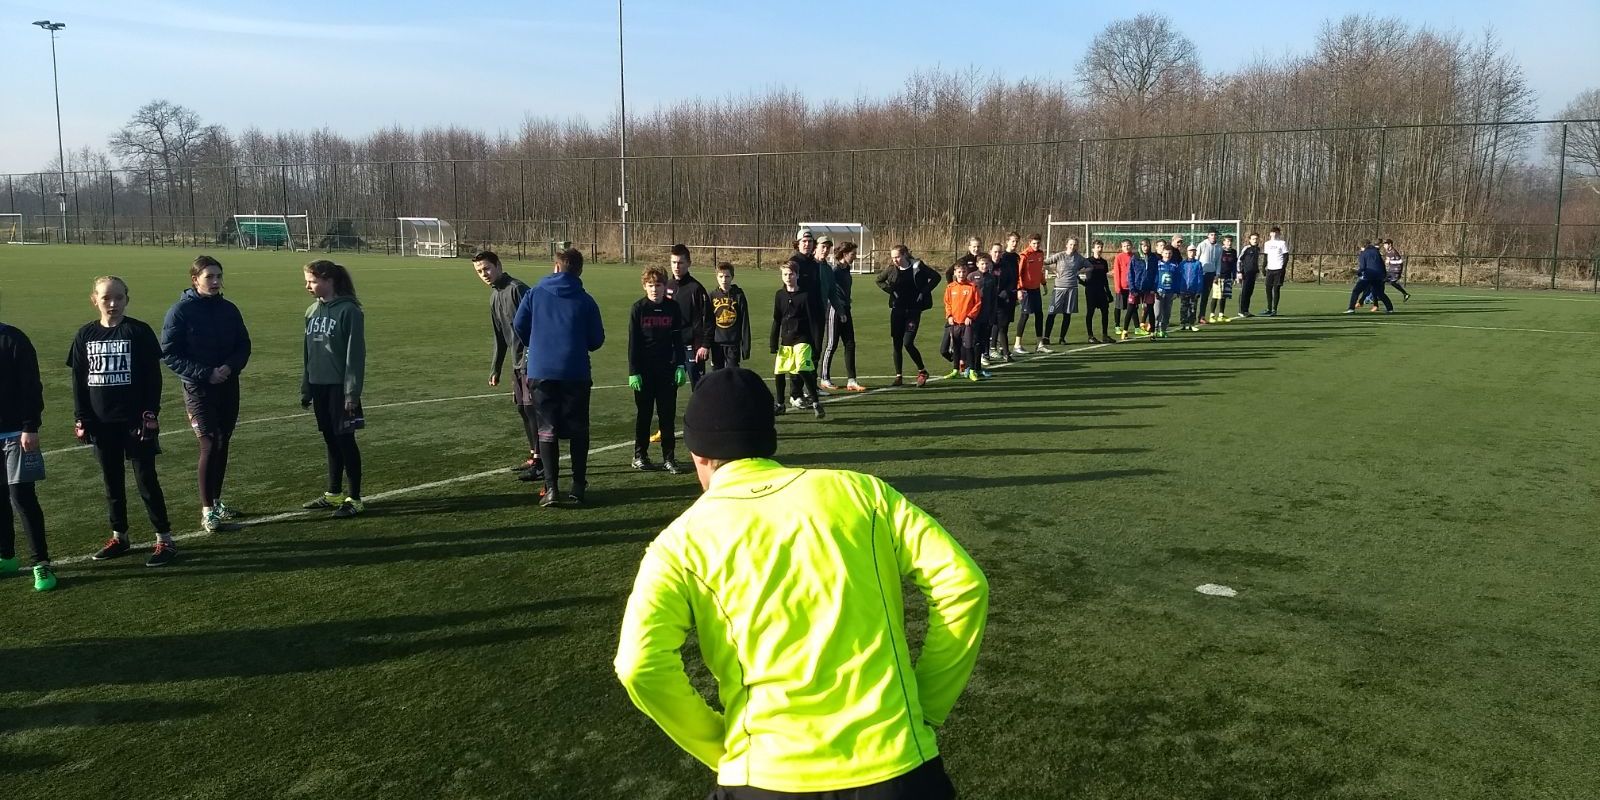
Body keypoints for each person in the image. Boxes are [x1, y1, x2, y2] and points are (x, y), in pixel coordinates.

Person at [614, 367, 988, 800]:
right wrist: (926, 706)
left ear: (697, 453)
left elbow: (639, 664)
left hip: (764, 776)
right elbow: (963, 585)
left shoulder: (679, 541)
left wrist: (722, 748)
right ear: (768, 438)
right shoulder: (862, 493)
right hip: (898, 768)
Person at [70, 277, 175, 567]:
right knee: (111, 482)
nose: (113, 304)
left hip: (135, 422)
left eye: (119, 297)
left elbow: (153, 379)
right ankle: (120, 536)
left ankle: (164, 539)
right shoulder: (85, 335)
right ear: (95, 300)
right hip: (102, 425)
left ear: (127, 299)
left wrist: (150, 413)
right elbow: (79, 381)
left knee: (146, 480)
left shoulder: (138, 332)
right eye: (106, 298)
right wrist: (81, 418)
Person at [161, 255, 251, 533]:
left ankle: (217, 499)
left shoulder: (229, 309)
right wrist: (205, 373)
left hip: (227, 385)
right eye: (209, 277)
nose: (215, 282)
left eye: (218, 276)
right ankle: (207, 511)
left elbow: (243, 345)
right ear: (195, 280)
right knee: (209, 443)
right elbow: (169, 352)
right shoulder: (180, 311)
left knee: (223, 442)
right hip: (198, 389)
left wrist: (229, 367)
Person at [515, 248, 604, 507]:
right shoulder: (586, 301)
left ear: (555, 267)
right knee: (578, 430)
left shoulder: (534, 294)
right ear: (579, 271)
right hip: (575, 371)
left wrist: (540, 342)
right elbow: (596, 340)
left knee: (546, 430)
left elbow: (519, 325)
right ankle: (578, 486)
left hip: (541, 370)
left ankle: (551, 489)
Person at [300, 260, 367, 518]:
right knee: (330, 439)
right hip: (319, 386)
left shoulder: (349, 311)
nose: (307, 286)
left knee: (345, 441)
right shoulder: (310, 312)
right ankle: (333, 493)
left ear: (329, 281)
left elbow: (355, 355)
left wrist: (352, 392)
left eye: (312, 281)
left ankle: (355, 498)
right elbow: (307, 353)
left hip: (340, 388)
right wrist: (306, 387)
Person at [473, 250, 542, 484]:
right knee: (523, 409)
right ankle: (534, 455)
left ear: (498, 265)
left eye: (487, 269)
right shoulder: (494, 297)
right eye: (480, 272)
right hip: (516, 362)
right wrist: (495, 368)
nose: (484, 274)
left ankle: (540, 461)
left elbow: (537, 323)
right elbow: (499, 337)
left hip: (530, 361)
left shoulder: (517, 289)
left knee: (533, 410)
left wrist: (532, 357)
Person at [0, 321, 54, 592]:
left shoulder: (12, 338)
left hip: (14, 434)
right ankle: (6, 556)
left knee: (21, 497)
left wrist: (30, 426)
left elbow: (31, 384)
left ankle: (41, 562)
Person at [628, 267, 690, 473]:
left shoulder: (673, 308)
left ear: (665, 287)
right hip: (644, 372)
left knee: (667, 416)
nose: (654, 289)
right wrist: (633, 371)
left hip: (667, 371)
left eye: (658, 285)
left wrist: (680, 365)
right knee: (643, 415)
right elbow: (633, 343)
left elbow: (677, 340)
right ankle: (640, 456)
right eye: (650, 285)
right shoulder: (638, 309)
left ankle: (669, 458)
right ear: (644, 286)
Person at [875, 244, 940, 387]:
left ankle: (922, 371)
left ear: (905, 254)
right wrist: (891, 291)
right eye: (893, 257)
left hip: (913, 311)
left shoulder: (918, 266)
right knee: (896, 344)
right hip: (897, 310)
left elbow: (936, 277)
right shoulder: (892, 269)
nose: (895, 260)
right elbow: (879, 280)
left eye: (897, 257)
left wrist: (923, 292)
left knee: (907, 342)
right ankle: (898, 376)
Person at [771, 261, 824, 418]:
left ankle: (815, 402)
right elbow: (777, 319)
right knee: (779, 371)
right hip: (786, 340)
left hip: (802, 339)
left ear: (797, 275)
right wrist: (773, 341)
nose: (788, 277)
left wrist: (815, 343)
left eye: (791, 274)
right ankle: (780, 404)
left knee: (802, 368)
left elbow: (813, 321)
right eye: (785, 274)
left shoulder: (805, 296)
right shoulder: (779, 295)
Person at [665, 244, 712, 389]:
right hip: (671, 346)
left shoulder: (696, 289)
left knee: (698, 387)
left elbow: (708, 319)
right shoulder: (666, 286)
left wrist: (705, 345)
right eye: (673, 262)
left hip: (692, 347)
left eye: (680, 263)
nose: (676, 266)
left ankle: (701, 412)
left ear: (688, 263)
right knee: (669, 386)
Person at [820, 242, 865, 391]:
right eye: (853, 254)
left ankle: (851, 380)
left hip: (846, 309)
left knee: (850, 343)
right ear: (845, 254)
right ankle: (824, 378)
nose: (855, 257)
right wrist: (839, 307)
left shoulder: (847, 269)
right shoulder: (835, 271)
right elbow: (829, 291)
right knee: (832, 344)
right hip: (834, 310)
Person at [941, 261, 983, 381]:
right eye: (959, 272)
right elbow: (947, 303)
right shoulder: (950, 287)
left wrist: (970, 316)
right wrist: (949, 315)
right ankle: (955, 370)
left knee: (969, 346)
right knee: (956, 346)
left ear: (967, 272)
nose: (961, 274)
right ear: (955, 273)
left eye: (964, 271)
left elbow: (978, 303)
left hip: (967, 323)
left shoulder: (972, 287)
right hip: (955, 323)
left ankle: (972, 370)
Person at [708, 262, 751, 371]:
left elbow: (745, 321)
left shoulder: (738, 295)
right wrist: (706, 344)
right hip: (717, 343)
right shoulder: (712, 296)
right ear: (716, 277)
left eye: (727, 276)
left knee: (732, 374)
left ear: (732, 277)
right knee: (717, 375)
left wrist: (745, 346)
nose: (724, 280)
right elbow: (708, 322)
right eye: (721, 276)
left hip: (733, 344)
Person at [1012, 233, 1050, 354]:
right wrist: (1019, 289)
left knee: (1039, 314)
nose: (1036, 245)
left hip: (1036, 289)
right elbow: (1018, 274)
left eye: (1038, 243)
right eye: (1034, 243)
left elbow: (1040, 271)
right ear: (1029, 243)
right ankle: (1017, 344)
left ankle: (1040, 344)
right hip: (1026, 290)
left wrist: (1043, 283)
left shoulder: (1040, 254)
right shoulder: (1024, 255)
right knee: (1025, 315)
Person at [1042, 236, 1084, 345]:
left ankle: (1062, 338)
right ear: (1067, 245)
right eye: (1071, 244)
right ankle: (1046, 337)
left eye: (1074, 245)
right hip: (1059, 288)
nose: (1072, 246)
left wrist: (1079, 273)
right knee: (1052, 313)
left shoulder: (1079, 258)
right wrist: (1053, 270)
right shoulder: (1060, 255)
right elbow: (1043, 262)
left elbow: (1089, 267)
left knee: (1067, 314)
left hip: (1072, 289)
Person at [987, 242, 1017, 360]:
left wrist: (1005, 293)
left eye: (999, 252)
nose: (997, 254)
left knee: (1003, 327)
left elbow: (1012, 280)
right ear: (990, 252)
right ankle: (986, 353)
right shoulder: (986, 265)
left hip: (1002, 301)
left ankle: (1006, 353)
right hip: (988, 302)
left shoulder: (1006, 266)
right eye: (995, 251)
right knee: (988, 328)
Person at [1346, 240, 1393, 314]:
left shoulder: (1363, 254)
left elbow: (1363, 267)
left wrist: (1357, 273)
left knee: (1356, 291)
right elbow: (1382, 264)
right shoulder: (1376, 252)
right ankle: (1390, 309)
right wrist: (1384, 275)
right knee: (1380, 293)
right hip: (1379, 276)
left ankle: (1351, 308)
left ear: (1362, 247)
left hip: (1368, 276)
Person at [1123, 240, 1157, 341]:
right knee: (1131, 309)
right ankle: (1125, 331)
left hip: (1149, 288)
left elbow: (1156, 273)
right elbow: (1130, 274)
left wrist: (1154, 287)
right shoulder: (1135, 257)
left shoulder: (1153, 257)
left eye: (1147, 246)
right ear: (1140, 246)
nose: (1145, 248)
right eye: (1144, 246)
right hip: (1136, 287)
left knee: (1150, 310)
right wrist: (1132, 288)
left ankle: (1152, 332)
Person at [971, 254, 998, 373]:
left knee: (983, 340)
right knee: (973, 340)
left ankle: (978, 366)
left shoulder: (992, 278)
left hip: (986, 314)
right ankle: (969, 365)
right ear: (977, 264)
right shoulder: (971, 276)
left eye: (987, 263)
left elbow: (993, 298)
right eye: (982, 263)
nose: (984, 266)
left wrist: (993, 314)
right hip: (973, 315)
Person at [1081, 241, 1113, 343]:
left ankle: (1105, 335)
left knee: (1105, 312)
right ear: (1093, 249)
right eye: (1098, 247)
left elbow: (1104, 278)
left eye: (1101, 247)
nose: (1100, 249)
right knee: (1090, 312)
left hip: (1101, 290)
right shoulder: (1087, 261)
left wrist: (1108, 292)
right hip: (1091, 291)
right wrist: (1083, 283)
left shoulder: (1104, 262)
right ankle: (1090, 336)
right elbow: (1075, 271)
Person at [1195, 229, 1221, 325]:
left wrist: (1217, 274)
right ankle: (1191, 316)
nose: (1213, 236)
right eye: (1211, 234)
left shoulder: (1219, 247)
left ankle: (1201, 316)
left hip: (1211, 274)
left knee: (1205, 297)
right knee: (1196, 296)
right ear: (1208, 235)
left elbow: (1218, 262)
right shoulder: (1202, 245)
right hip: (1201, 274)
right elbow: (1196, 259)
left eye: (1215, 235)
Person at [1262, 226, 1290, 315]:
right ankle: (1269, 308)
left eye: (1276, 233)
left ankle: (1274, 309)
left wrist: (1283, 267)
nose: (1274, 234)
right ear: (1270, 234)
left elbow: (1286, 256)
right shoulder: (1267, 243)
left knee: (1276, 289)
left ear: (1279, 234)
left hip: (1279, 269)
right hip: (1270, 269)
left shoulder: (1282, 243)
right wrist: (1263, 267)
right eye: (1273, 232)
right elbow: (1265, 256)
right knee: (1268, 288)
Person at [1154, 244, 1180, 338]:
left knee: (1167, 313)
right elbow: (1155, 278)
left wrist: (1177, 292)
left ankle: (1163, 330)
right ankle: (1155, 329)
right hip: (1159, 292)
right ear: (1162, 253)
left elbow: (1177, 279)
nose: (1167, 255)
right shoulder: (1157, 264)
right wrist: (1154, 290)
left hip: (1170, 292)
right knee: (1157, 312)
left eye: (1169, 253)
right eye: (1166, 253)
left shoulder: (1175, 265)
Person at [1235, 232, 1262, 318]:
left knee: (1250, 292)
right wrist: (1239, 272)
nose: (1255, 240)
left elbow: (1256, 262)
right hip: (1245, 273)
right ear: (1250, 240)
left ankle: (1246, 310)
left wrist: (1257, 271)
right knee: (1244, 292)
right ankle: (1241, 310)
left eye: (1256, 239)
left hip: (1253, 274)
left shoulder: (1257, 249)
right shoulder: (1246, 248)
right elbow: (1239, 260)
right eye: (1253, 239)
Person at [1211, 235, 1238, 322]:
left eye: (1230, 241)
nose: (1229, 243)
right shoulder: (1220, 251)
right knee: (1216, 296)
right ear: (1224, 242)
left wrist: (1234, 277)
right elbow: (1215, 263)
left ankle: (1221, 315)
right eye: (1227, 241)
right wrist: (1215, 275)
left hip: (1228, 277)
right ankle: (1212, 315)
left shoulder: (1234, 252)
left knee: (1224, 296)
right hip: (1218, 276)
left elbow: (1234, 265)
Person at [1178, 246, 1205, 331]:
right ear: (1187, 252)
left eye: (1193, 251)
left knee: (1193, 307)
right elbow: (1179, 276)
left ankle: (1191, 323)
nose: (1192, 253)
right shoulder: (1182, 264)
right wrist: (1178, 288)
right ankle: (1183, 323)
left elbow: (1200, 277)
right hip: (1183, 289)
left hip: (1194, 289)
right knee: (1183, 307)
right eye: (1190, 251)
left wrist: (1199, 290)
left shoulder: (1198, 264)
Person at [1111, 239, 1134, 338]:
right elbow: (1117, 272)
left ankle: (1136, 327)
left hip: (1132, 287)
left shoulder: (1134, 257)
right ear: (1122, 247)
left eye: (1128, 245)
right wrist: (1117, 287)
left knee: (1132, 307)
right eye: (1124, 246)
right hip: (1122, 286)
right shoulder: (1119, 257)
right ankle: (1117, 325)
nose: (1126, 248)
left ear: (1131, 246)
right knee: (1119, 306)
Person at [1382, 239, 1411, 303]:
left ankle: (1405, 294)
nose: (1384, 245)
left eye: (1386, 244)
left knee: (1391, 282)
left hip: (1396, 271)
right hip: (1391, 270)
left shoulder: (1394, 251)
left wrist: (1390, 261)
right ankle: (1405, 294)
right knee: (1382, 280)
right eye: (1384, 244)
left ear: (1390, 244)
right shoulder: (1387, 251)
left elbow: (1400, 261)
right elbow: (1388, 259)